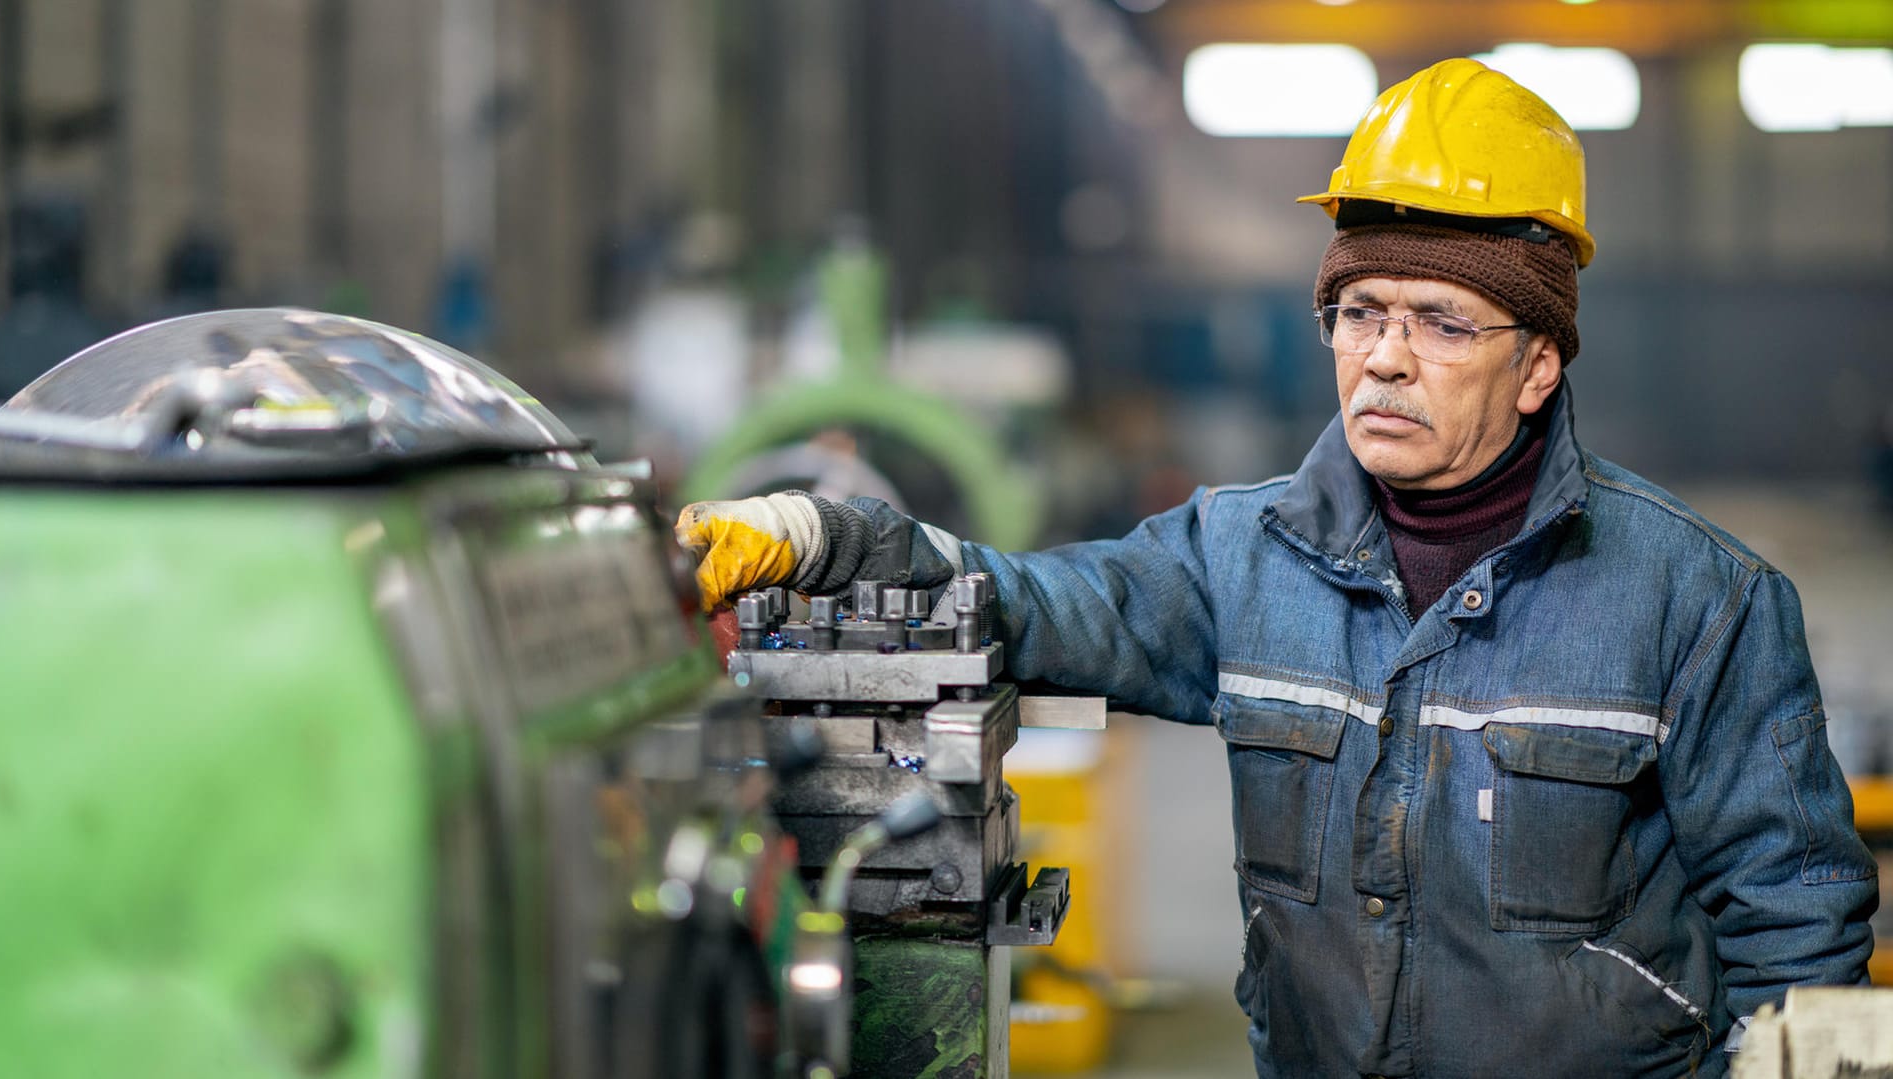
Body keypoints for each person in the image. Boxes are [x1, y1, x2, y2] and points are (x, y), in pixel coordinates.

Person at [675, 58, 1878, 1077]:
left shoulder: (1697, 599)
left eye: (1443, 322)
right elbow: (1029, 605)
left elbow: (1798, 937)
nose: (1386, 359)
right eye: (1360, 312)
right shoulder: (1239, 557)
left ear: (1538, 365)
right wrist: (826, 536)